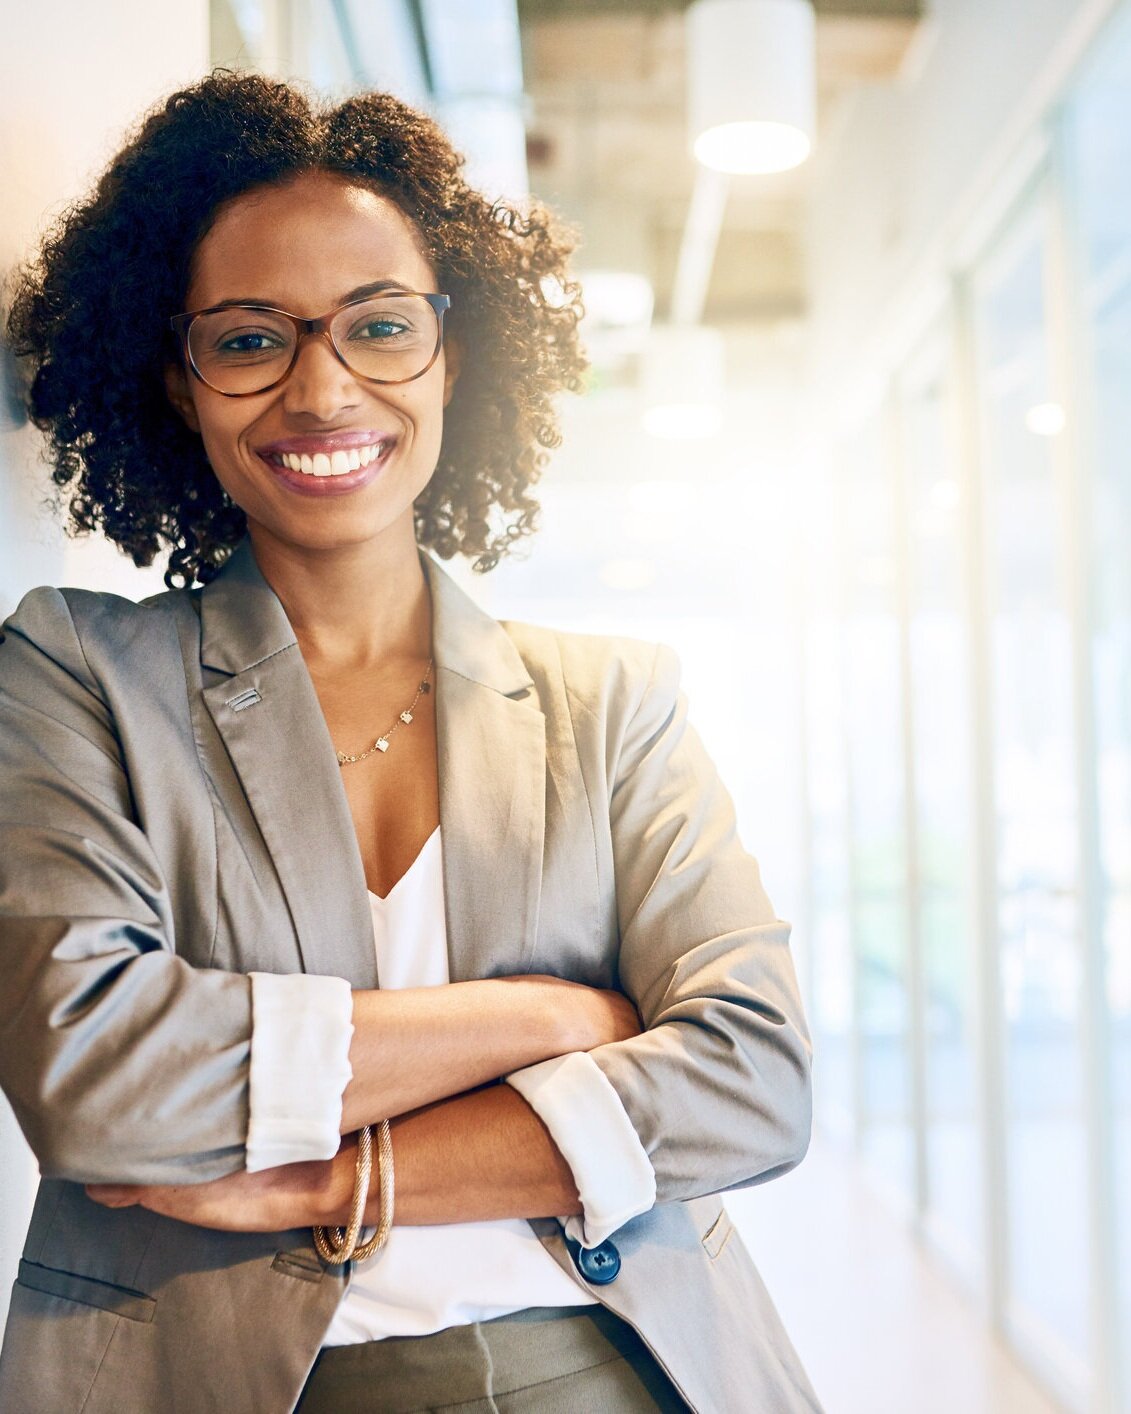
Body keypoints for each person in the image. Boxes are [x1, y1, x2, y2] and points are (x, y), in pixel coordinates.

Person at [0, 71, 819, 1414]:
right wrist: (552, 1018)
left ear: (453, 353)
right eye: (252, 339)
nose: (323, 390)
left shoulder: (611, 701)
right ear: (178, 379)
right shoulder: (80, 672)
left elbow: (755, 1077)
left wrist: (339, 1180)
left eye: (380, 326)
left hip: (610, 1366)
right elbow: (97, 1077)